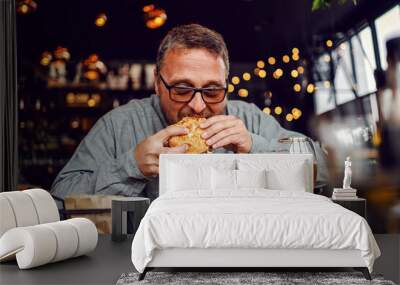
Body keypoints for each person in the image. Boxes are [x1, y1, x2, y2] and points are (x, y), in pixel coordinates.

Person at [51, 24, 328, 200]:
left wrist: (256, 147)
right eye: (182, 89)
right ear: (158, 84)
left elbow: (327, 169)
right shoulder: (120, 125)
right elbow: (61, 196)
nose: (198, 106)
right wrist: (131, 166)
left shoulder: (248, 118)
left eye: (212, 90)